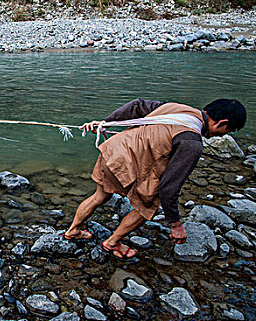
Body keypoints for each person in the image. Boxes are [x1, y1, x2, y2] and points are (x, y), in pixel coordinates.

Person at [63, 99, 246, 260]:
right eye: (227, 131)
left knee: (100, 197)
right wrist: (176, 224)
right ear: (223, 123)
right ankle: (112, 243)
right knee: (147, 207)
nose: (222, 135)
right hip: (129, 163)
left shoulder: (176, 107)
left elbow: (137, 105)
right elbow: (169, 187)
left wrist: (106, 122)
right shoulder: (192, 143)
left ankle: (73, 230)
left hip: (112, 152)